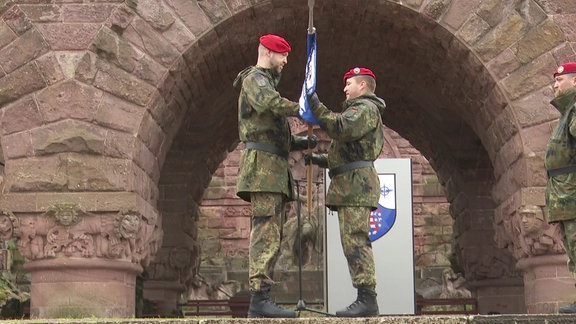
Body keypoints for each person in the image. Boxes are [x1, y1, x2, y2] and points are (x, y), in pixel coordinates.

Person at [232, 34, 316, 318]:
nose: (285, 62)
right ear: (268, 53)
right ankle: (259, 298)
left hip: (273, 167)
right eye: (283, 56)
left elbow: (274, 133)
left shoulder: (264, 82)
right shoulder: (256, 80)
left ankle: (264, 295)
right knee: (266, 231)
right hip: (264, 168)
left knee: (274, 232)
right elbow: (269, 104)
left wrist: (303, 144)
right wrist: (302, 108)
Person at [305, 67, 386, 317]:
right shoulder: (359, 110)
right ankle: (364, 295)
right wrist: (320, 160)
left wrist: (315, 103)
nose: (344, 88)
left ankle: (367, 298)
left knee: (355, 239)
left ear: (362, 86)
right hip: (350, 183)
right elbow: (347, 151)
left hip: (356, 186)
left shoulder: (364, 109)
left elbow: (341, 128)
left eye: (349, 83)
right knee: (351, 240)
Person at [545, 61, 576, 314]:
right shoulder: (567, 112)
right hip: (565, 194)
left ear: (575, 81)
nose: (555, 85)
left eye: (560, 80)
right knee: (573, 250)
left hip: (572, 193)